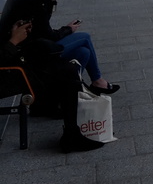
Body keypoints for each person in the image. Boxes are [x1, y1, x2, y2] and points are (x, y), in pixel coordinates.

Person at [0, 0, 119, 96]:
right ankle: (97, 81)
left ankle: (74, 90)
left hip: (29, 45)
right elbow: (47, 35)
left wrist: (66, 29)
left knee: (83, 52)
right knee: (85, 37)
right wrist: (67, 30)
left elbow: (41, 29)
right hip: (28, 52)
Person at [1, 19, 104, 153]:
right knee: (66, 72)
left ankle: (54, 113)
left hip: (14, 64)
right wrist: (14, 41)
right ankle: (71, 135)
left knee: (68, 64)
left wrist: (15, 35)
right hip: (9, 74)